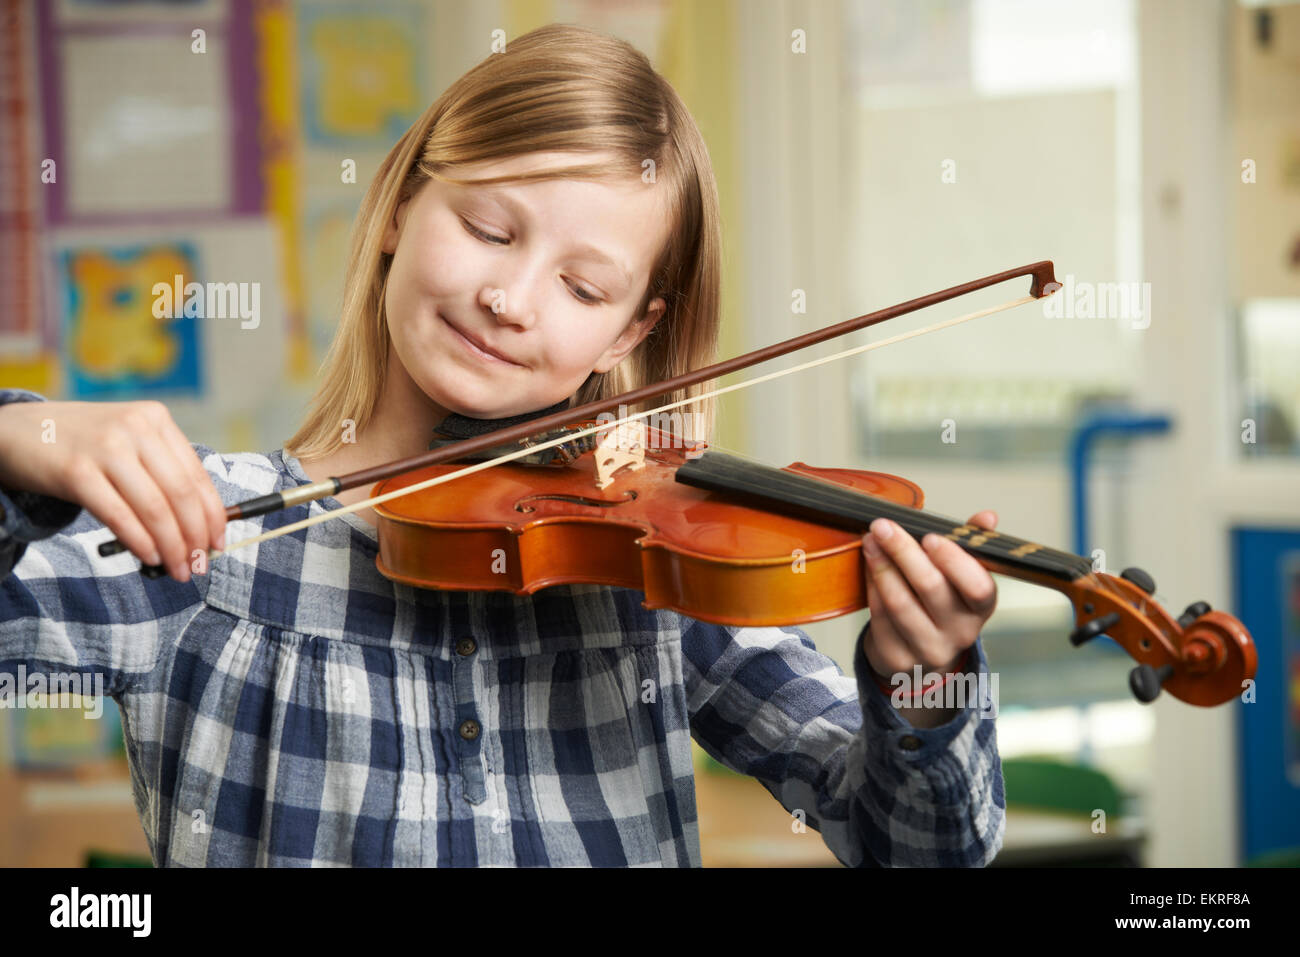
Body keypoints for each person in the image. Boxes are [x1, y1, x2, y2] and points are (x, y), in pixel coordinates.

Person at [0, 23, 1004, 867]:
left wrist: (923, 677)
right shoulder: (198, 542)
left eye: (581, 287)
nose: (509, 300)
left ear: (626, 335)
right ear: (399, 208)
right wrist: (15, 436)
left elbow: (914, 847)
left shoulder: (656, 572)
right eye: (488, 228)